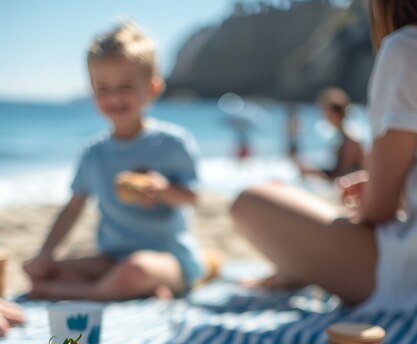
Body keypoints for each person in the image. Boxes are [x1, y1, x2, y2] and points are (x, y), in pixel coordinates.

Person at [230, 0, 417, 311]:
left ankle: (305, 266)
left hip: (407, 275)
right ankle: (307, 265)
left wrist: (372, 195)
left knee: (249, 202)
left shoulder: (405, 47)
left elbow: (379, 209)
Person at [24, 22, 205, 301]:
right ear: (92, 92)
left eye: (126, 86)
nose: (114, 96)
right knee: (52, 269)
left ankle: (88, 293)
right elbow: (73, 209)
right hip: (112, 259)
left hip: (169, 260)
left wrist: (164, 189)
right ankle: (133, 291)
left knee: (135, 270)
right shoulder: (94, 152)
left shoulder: (172, 143)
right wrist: (46, 253)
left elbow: (193, 198)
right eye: (103, 88)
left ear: (153, 88)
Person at [296, 87, 365, 181]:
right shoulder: (345, 136)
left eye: (325, 110)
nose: (323, 115)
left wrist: (314, 172)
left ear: (334, 113)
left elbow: (341, 176)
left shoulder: (350, 141)